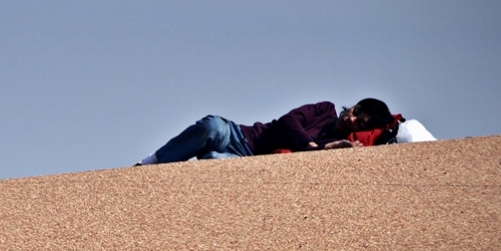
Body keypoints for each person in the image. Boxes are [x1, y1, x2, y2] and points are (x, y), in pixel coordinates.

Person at [136, 99, 395, 165]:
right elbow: (288, 121)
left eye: (361, 122)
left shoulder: (340, 143)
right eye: (356, 110)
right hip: (242, 135)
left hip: (249, 160)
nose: (353, 118)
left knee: (213, 165)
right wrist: (313, 146)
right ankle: (153, 163)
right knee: (212, 125)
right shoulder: (324, 109)